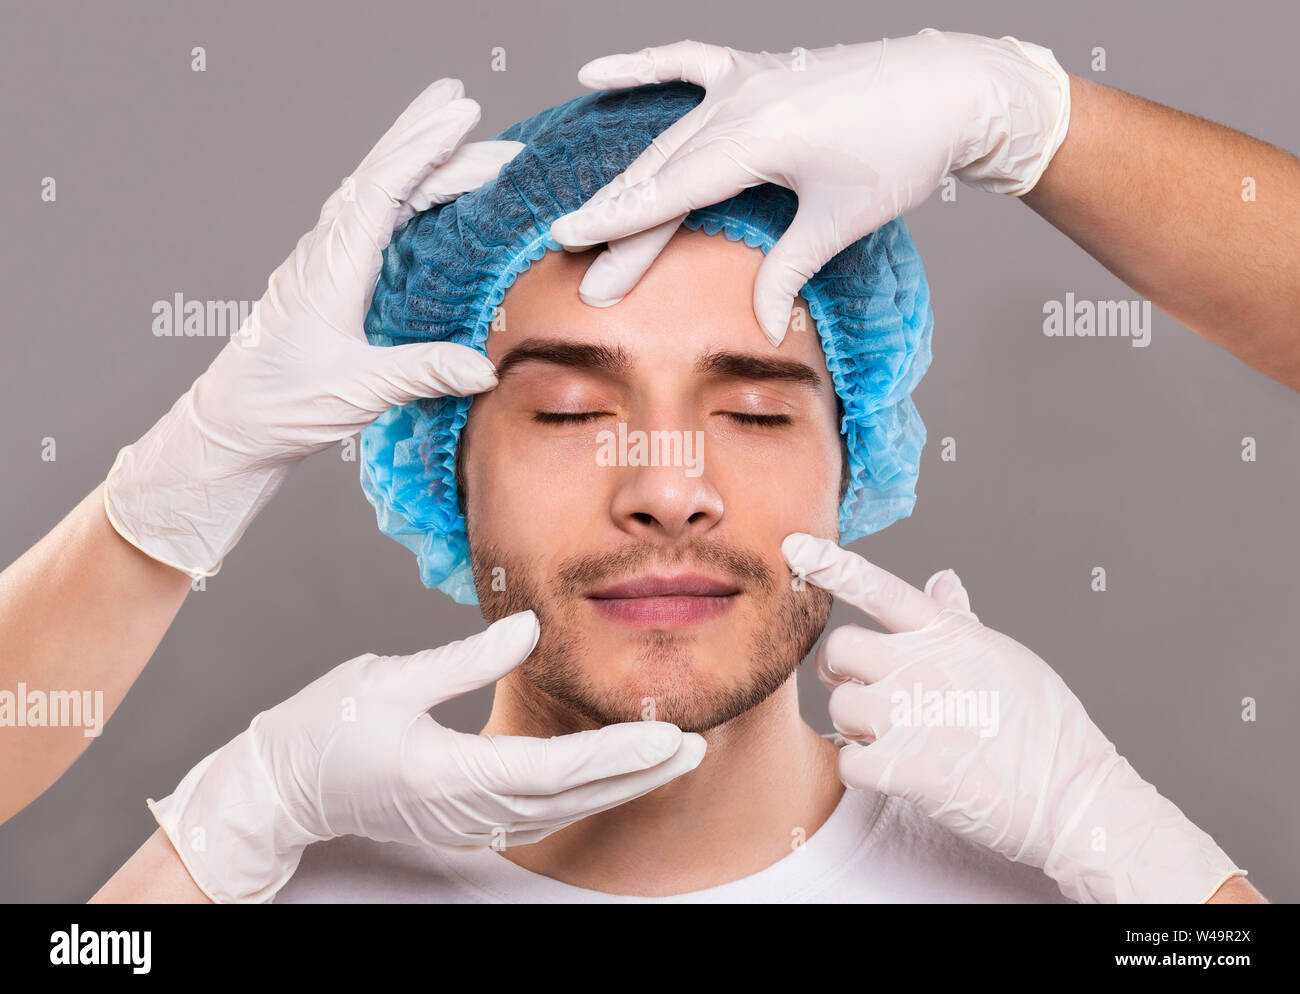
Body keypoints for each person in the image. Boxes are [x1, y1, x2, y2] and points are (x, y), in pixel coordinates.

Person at [0, 29, 1286, 901]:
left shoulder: (1086, 886)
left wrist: (1149, 866)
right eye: (565, 411)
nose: (668, 484)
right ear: (440, 464)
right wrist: (225, 828)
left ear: (860, 453)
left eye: (757, 411)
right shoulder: (266, 877)